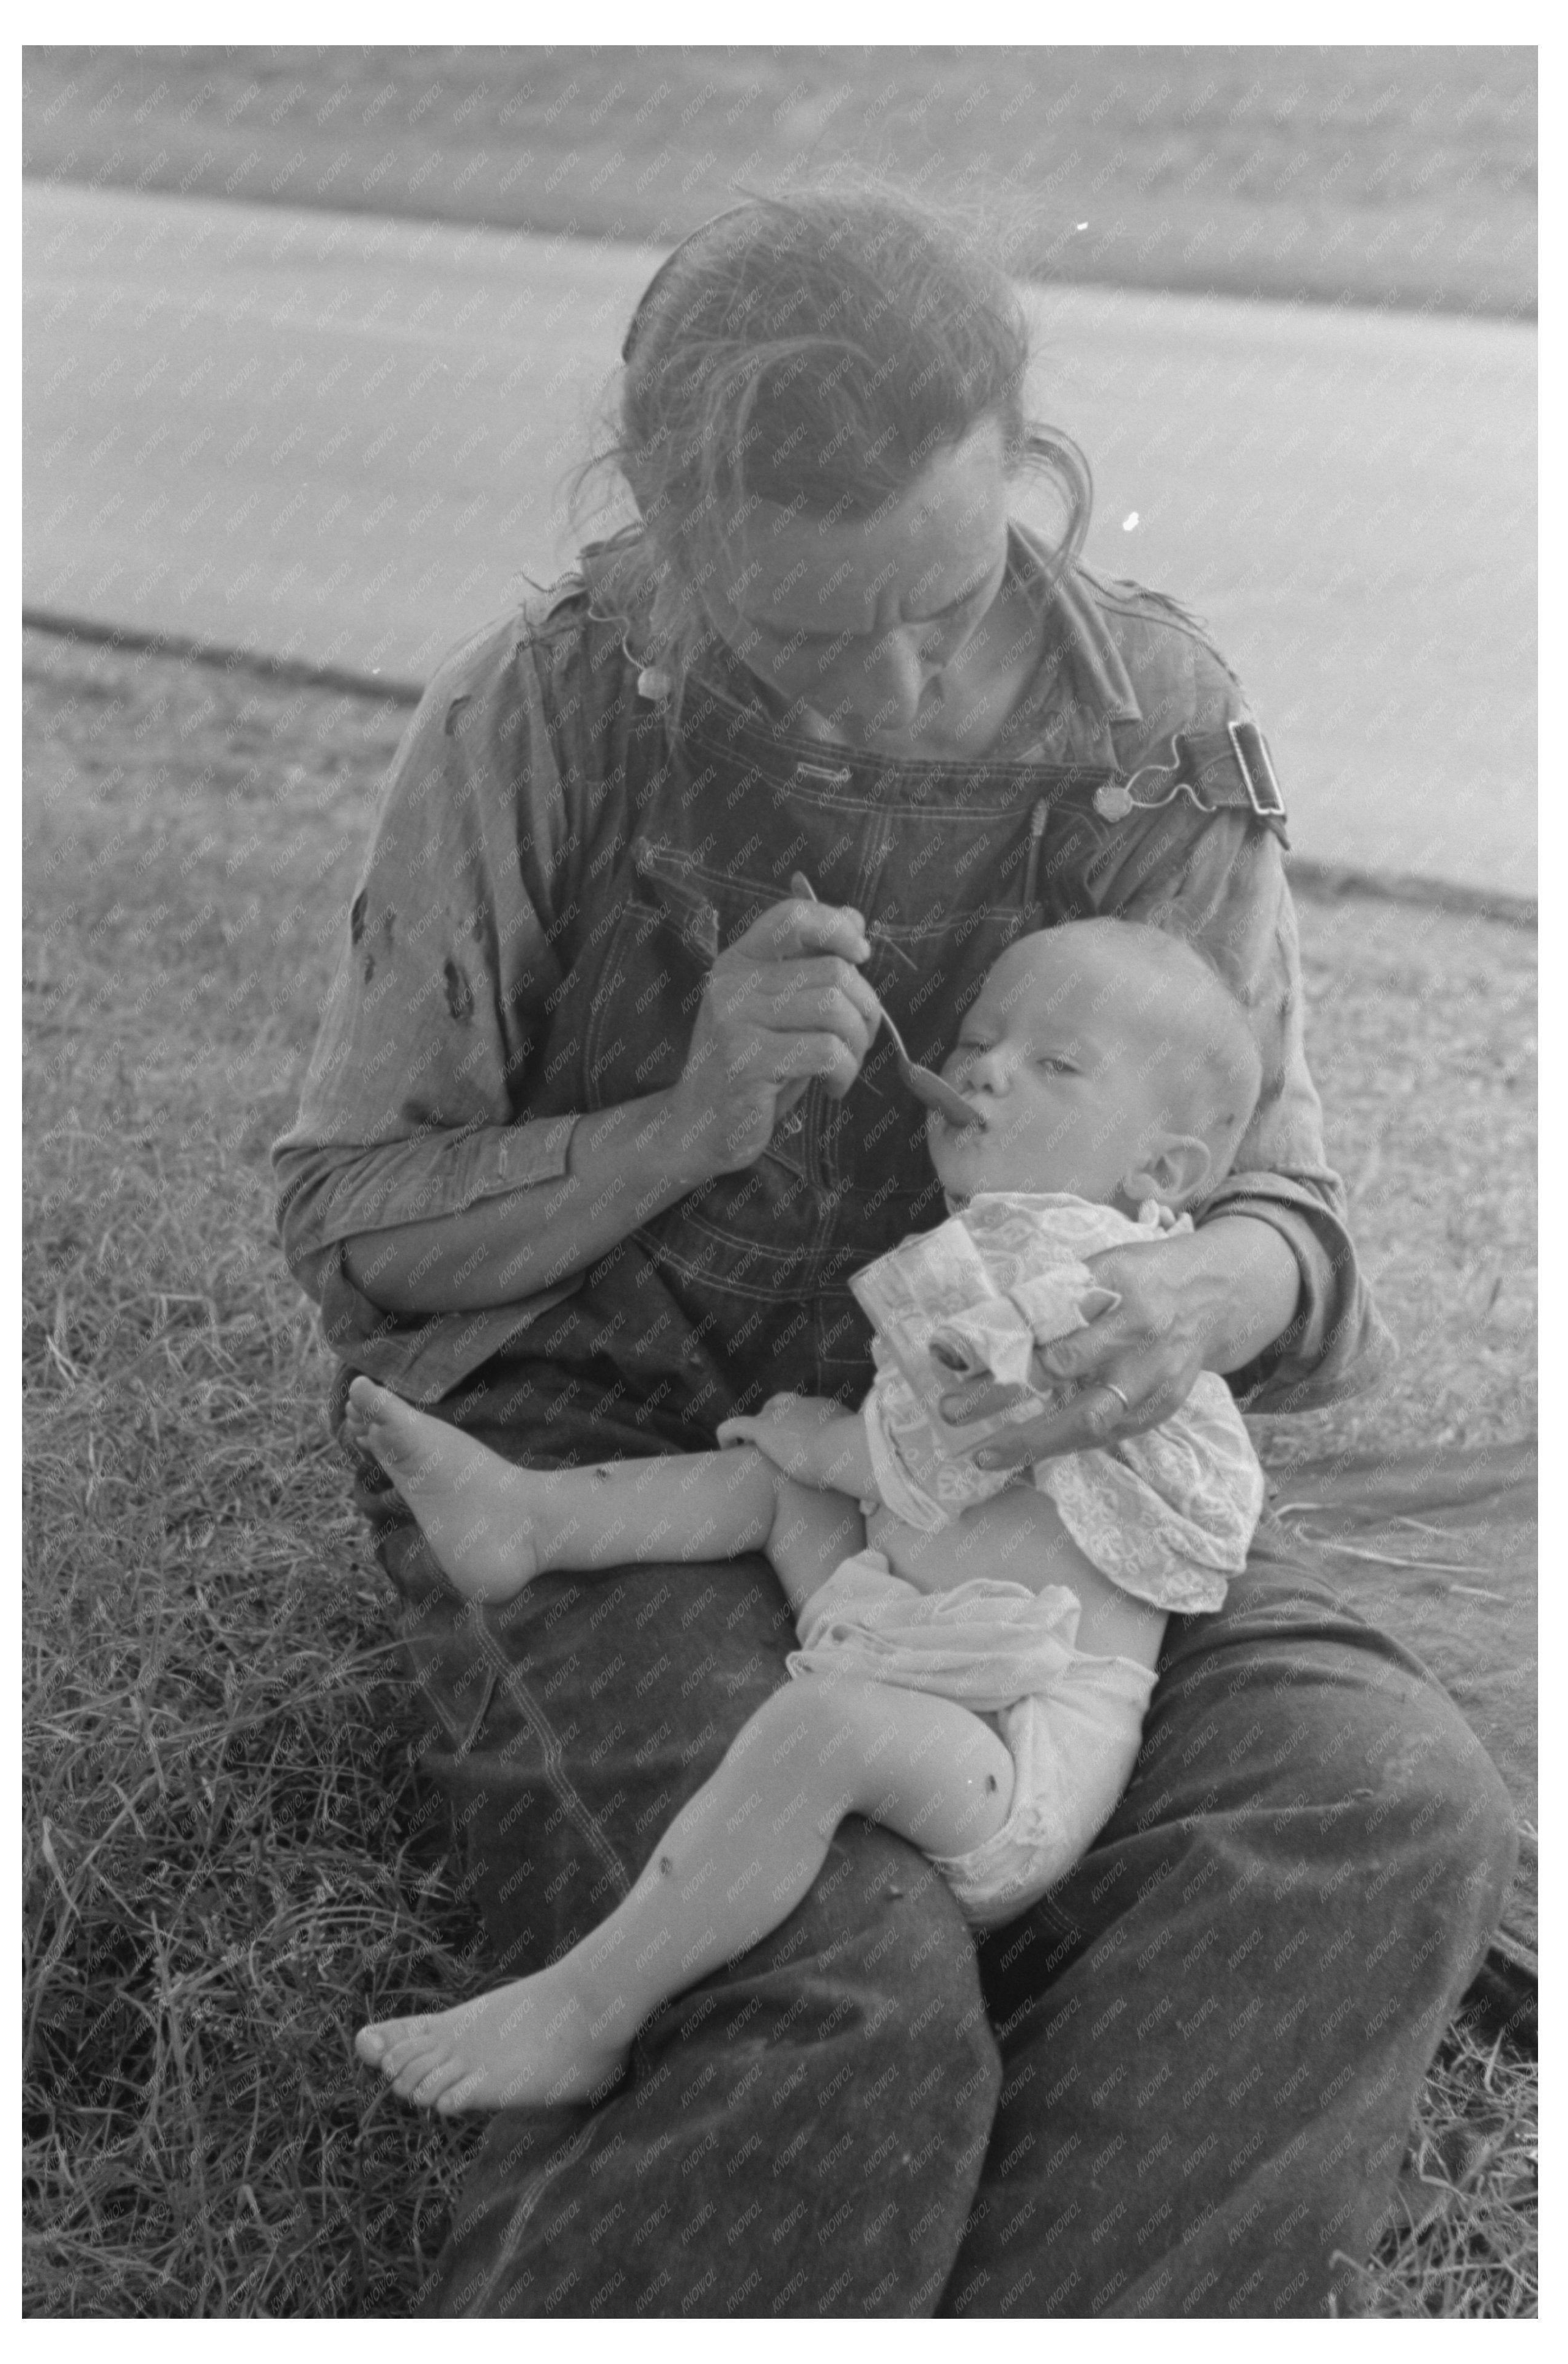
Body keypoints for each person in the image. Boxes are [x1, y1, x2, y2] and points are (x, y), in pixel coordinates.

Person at [273, 192, 1515, 2316]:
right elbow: (347, 1226)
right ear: (664, 521)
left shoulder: (1153, 718)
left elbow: (1287, 1226)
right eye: (804, 642)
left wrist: (1188, 1296)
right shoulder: (541, 713)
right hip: (623, 1452)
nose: (902, 687)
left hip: (1044, 1494)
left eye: (940, 602)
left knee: (1378, 1800)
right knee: (839, 1982)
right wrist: (676, 1124)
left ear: (1021, 469)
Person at [344, 919, 1267, 2113]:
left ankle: (588, 2006)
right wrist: (815, 1454)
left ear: (1163, 1172)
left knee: (815, 1718)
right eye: (979, 1041)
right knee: (773, 1486)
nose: (982, 1069)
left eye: (1055, 1065)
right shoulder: (1001, 1247)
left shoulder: (1101, 1287)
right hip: (902, 1618)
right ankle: (527, 1518)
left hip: (1003, 1756)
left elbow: (949, 1445)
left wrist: (828, 1441)